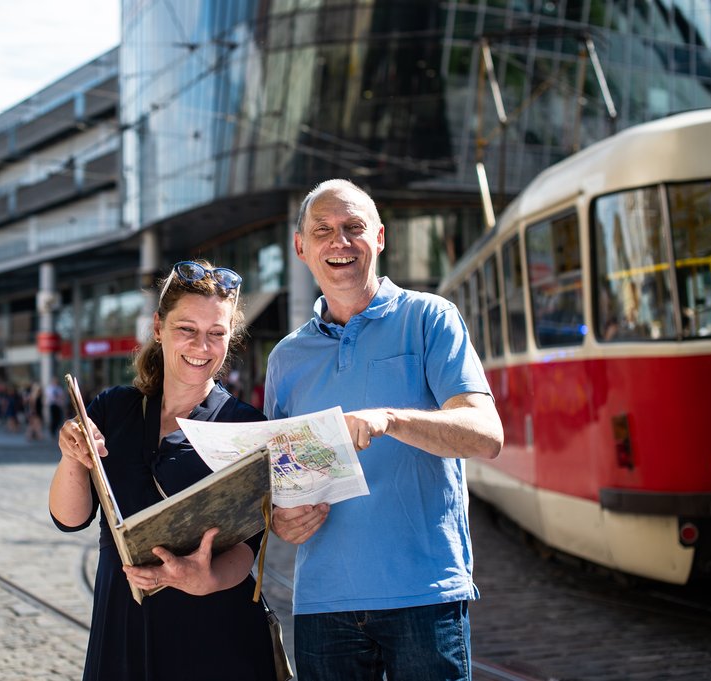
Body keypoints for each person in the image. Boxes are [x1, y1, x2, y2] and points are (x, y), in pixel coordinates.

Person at [265, 179, 504, 681]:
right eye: (323, 230)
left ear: (379, 237)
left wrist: (391, 419)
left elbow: (486, 434)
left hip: (424, 594)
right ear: (300, 246)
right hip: (320, 603)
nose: (340, 242)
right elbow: (277, 478)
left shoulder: (430, 318)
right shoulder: (285, 358)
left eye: (354, 228)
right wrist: (278, 517)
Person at [49, 260, 274, 680]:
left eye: (216, 334)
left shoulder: (246, 426)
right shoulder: (113, 409)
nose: (201, 346)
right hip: (123, 634)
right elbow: (69, 518)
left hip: (214, 638)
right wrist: (71, 457)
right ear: (158, 327)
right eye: (187, 329)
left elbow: (248, 549)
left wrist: (204, 578)